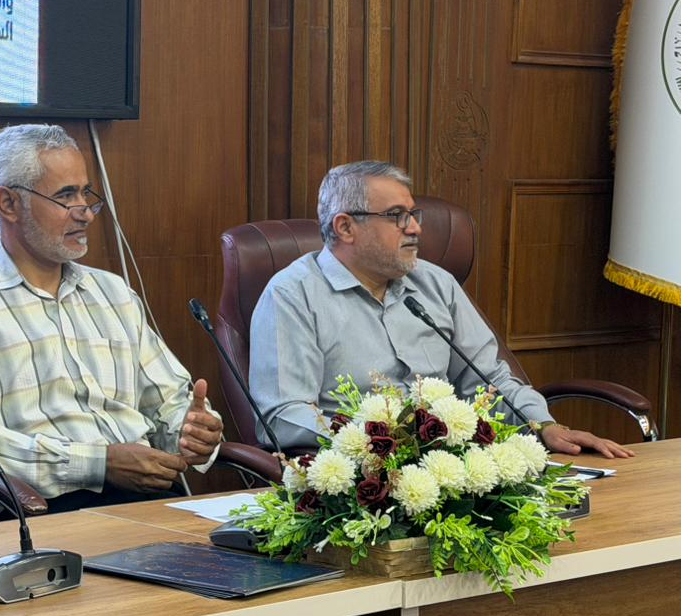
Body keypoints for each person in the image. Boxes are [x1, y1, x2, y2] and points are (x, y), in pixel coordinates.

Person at [0, 124, 223, 513]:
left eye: (86, 193)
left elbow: (171, 404)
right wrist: (97, 465)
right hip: (38, 512)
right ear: (8, 204)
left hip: (148, 499)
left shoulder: (113, 293)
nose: (86, 213)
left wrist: (192, 432)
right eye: (66, 196)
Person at [249, 160, 633, 458]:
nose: (415, 228)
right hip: (355, 476)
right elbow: (283, 415)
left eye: (413, 214)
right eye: (397, 216)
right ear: (346, 227)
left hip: (452, 466)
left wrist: (543, 425)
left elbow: (486, 379)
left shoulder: (435, 283)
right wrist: (381, 439)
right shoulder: (293, 295)